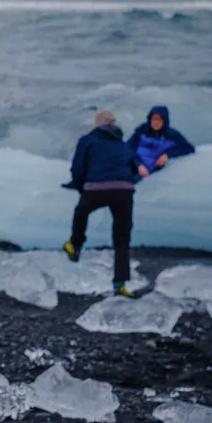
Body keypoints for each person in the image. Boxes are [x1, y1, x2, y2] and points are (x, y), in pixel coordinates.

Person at [62, 109, 140, 297]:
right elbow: (135, 167)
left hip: (96, 188)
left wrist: (81, 188)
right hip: (124, 190)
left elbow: (78, 168)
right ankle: (120, 284)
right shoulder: (122, 144)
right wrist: (127, 182)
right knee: (122, 240)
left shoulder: (88, 140)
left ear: (97, 123)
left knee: (81, 212)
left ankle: (75, 245)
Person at [126, 105, 195, 178]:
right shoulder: (142, 130)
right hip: (134, 165)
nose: (156, 122)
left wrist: (167, 155)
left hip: (152, 170)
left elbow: (189, 148)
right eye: (153, 119)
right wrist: (138, 165)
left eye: (159, 119)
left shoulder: (172, 134)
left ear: (164, 121)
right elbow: (128, 148)